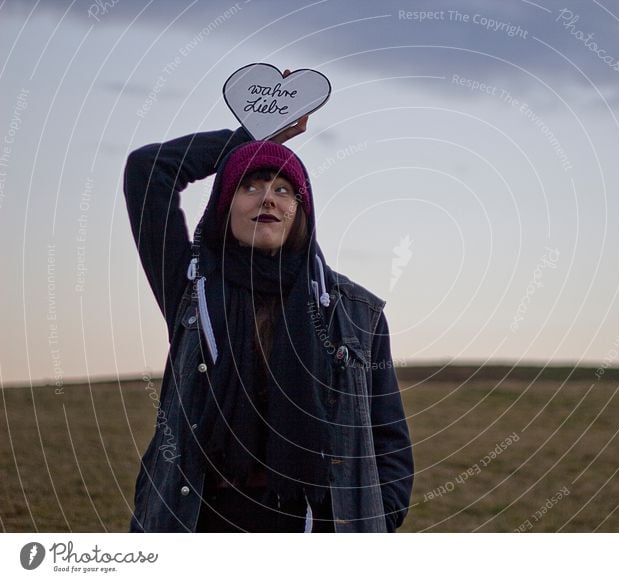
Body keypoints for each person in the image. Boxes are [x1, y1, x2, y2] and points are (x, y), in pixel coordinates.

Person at [123, 112, 414, 532]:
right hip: (198, 522)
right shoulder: (191, 288)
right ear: (225, 204)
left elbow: (388, 435)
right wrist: (250, 139)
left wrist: (376, 519)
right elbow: (147, 170)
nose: (268, 198)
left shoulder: (355, 312)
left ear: (300, 211)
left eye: (283, 188)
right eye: (250, 186)